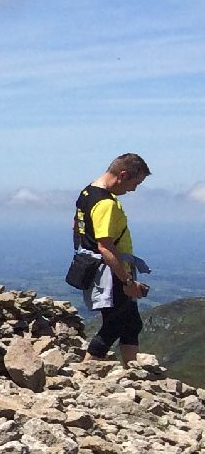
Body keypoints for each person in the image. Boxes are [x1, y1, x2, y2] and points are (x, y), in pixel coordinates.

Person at [76, 153, 153, 365]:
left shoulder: (88, 192)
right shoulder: (106, 203)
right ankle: (85, 370)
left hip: (99, 268)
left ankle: (133, 372)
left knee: (131, 324)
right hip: (110, 272)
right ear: (123, 175)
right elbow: (105, 246)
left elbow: (77, 227)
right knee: (115, 324)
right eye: (135, 183)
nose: (133, 190)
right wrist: (127, 281)